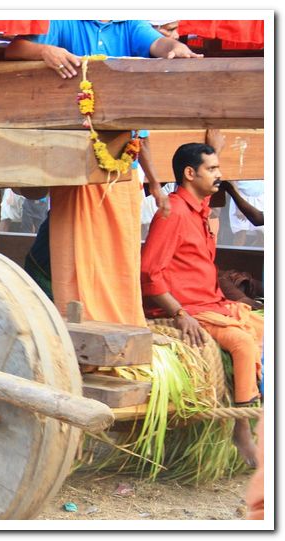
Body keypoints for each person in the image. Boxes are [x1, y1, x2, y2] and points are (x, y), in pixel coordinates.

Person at [4, 21, 201, 326]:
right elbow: (14, 49)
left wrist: (175, 48)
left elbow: (159, 47)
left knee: (117, 260)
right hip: (75, 169)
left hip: (123, 176)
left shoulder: (130, 25)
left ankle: (118, 325)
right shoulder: (65, 20)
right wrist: (46, 51)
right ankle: (68, 323)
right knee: (70, 253)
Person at [140, 142, 262, 466]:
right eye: (212, 169)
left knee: (265, 329)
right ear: (190, 173)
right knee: (243, 344)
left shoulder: (200, 207)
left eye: (219, 168)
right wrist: (179, 314)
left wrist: (214, 142)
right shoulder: (173, 212)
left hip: (213, 304)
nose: (219, 175)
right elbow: (149, 272)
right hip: (191, 308)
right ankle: (241, 431)